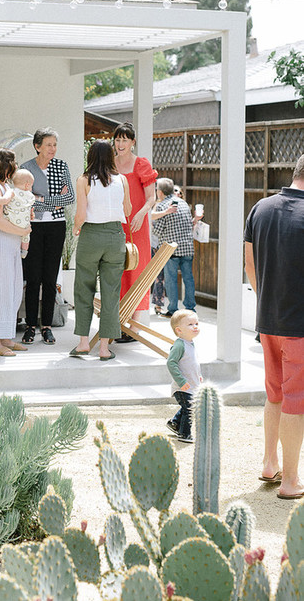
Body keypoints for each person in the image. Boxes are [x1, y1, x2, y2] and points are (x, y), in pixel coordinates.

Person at [244, 155, 304, 499]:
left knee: (275, 394)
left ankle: (270, 463)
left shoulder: (261, 209)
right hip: (299, 324)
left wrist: (265, 298)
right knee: (296, 399)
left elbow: (249, 264)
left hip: (268, 319)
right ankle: (291, 481)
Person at [70, 140, 131, 360]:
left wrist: (77, 229)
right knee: (111, 292)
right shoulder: (122, 180)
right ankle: (104, 348)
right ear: (111, 157)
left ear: (91, 156)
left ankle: (83, 343)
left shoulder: (84, 180)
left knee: (83, 288)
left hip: (91, 236)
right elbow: (128, 209)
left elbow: (81, 215)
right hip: (115, 236)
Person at [21, 128, 75, 345]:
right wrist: (53, 200)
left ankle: (47, 327)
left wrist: (40, 199)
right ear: (37, 146)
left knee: (50, 279)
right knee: (33, 279)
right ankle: (30, 326)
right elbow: (24, 198)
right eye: (49, 144)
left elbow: (69, 196)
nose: (53, 149)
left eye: (55, 145)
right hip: (32, 227)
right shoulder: (26, 169)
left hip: (56, 226)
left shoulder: (61, 166)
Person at [112, 122, 158, 341]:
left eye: (125, 140)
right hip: (114, 224)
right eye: (117, 139)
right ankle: (119, 322)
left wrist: (141, 213)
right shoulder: (109, 164)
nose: (120, 144)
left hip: (137, 225)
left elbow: (152, 197)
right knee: (117, 271)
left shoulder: (141, 164)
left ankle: (134, 327)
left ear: (132, 142)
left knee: (136, 270)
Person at [0, 148, 30, 356]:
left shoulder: (5, 187)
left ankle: (5, 337)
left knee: (12, 290)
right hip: (1, 243)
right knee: (0, 291)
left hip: (12, 244)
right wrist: (22, 230)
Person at [151, 177, 196, 317]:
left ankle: (173, 310)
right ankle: (190, 308)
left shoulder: (163, 206)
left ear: (160, 192)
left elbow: (158, 231)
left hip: (171, 249)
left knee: (171, 280)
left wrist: (151, 225)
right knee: (188, 279)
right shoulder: (183, 203)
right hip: (187, 247)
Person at [165, 309, 202, 444]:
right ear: (179, 330)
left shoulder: (190, 343)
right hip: (182, 387)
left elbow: (192, 363)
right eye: (190, 324)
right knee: (190, 409)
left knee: (188, 407)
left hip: (191, 385)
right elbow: (171, 363)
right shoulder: (180, 345)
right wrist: (181, 381)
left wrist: (199, 376)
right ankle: (184, 433)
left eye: (196, 323)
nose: (195, 326)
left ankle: (175, 423)